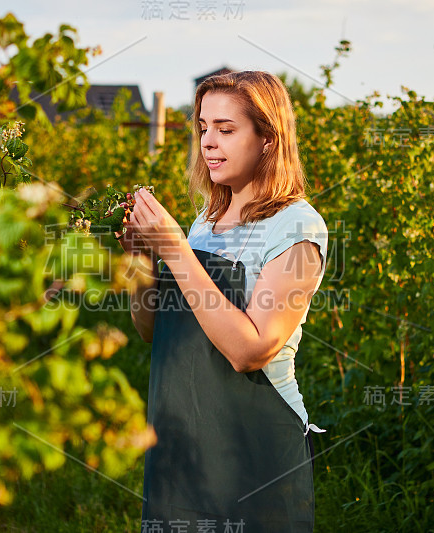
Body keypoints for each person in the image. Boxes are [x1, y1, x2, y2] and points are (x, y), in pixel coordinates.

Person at [115, 71, 329, 532]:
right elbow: (154, 331)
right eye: (203, 127)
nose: (208, 142)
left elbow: (250, 350)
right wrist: (138, 262)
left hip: (254, 452)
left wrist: (173, 250)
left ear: (268, 138)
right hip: (184, 448)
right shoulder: (204, 224)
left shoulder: (296, 229)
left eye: (226, 130)